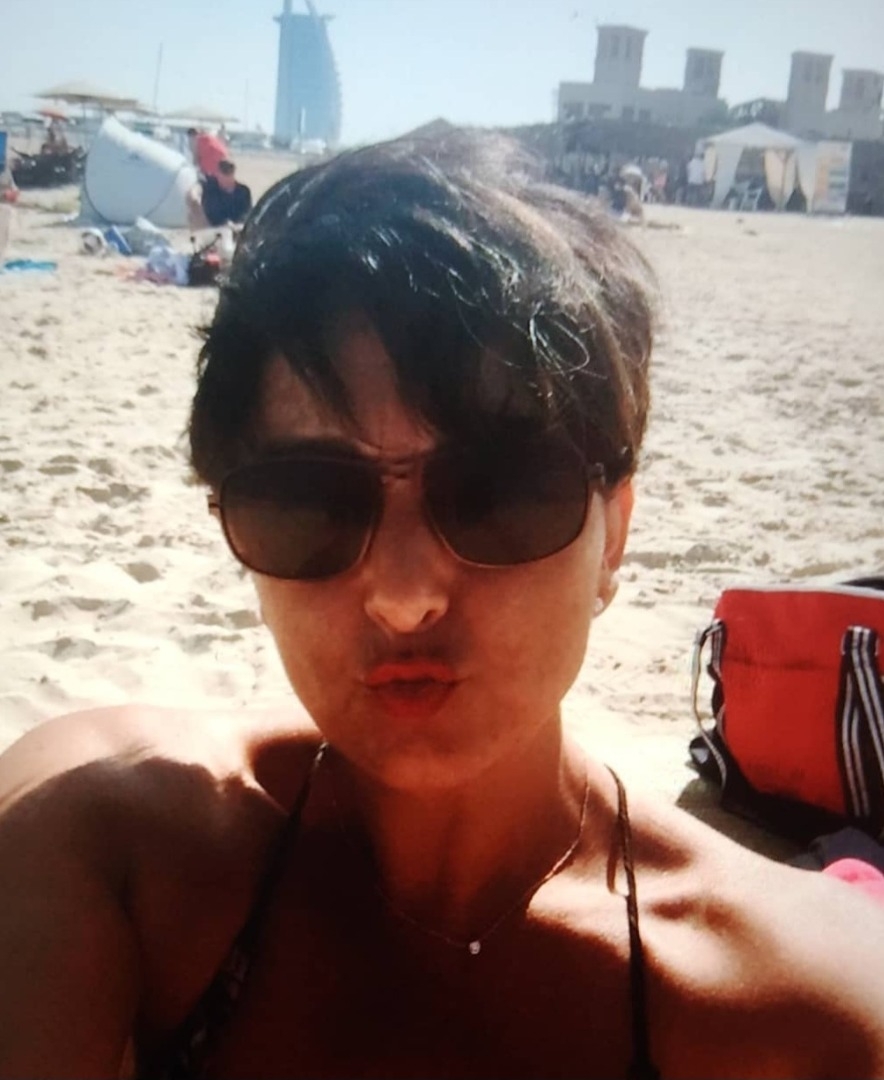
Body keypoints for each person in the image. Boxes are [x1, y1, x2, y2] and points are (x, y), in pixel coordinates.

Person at [1, 132, 883, 1080]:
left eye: (498, 494)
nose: (404, 595)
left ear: (612, 538)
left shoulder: (800, 1014)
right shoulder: (108, 850)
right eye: (308, 503)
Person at [200, 158, 252, 227]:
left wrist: (238, 223)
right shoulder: (211, 190)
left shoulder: (243, 191)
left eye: (229, 174)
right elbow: (211, 212)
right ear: (218, 173)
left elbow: (246, 212)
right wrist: (225, 222)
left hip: (239, 227)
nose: (226, 178)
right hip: (215, 228)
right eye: (224, 174)